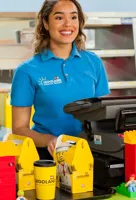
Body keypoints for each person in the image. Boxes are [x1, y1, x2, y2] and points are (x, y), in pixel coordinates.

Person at [10, 0, 110, 159]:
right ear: (46, 23)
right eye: (59, 18)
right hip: (48, 155)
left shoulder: (93, 62)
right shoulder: (27, 71)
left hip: (89, 152)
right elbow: (19, 128)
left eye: (73, 17)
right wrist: (48, 140)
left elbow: (104, 115)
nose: (67, 24)